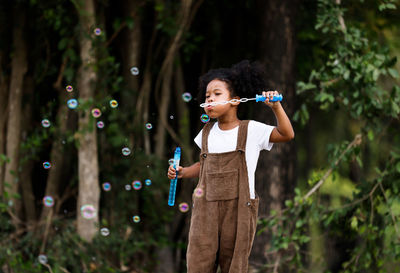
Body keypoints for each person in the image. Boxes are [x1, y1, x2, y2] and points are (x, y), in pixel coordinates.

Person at [167, 60, 294, 273]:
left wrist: (276, 107)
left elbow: (286, 134)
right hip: (205, 208)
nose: (210, 99)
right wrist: (182, 172)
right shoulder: (206, 132)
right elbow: (204, 165)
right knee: (199, 260)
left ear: (235, 100)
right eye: (207, 96)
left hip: (239, 209)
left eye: (217, 94)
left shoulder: (251, 130)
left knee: (233, 264)